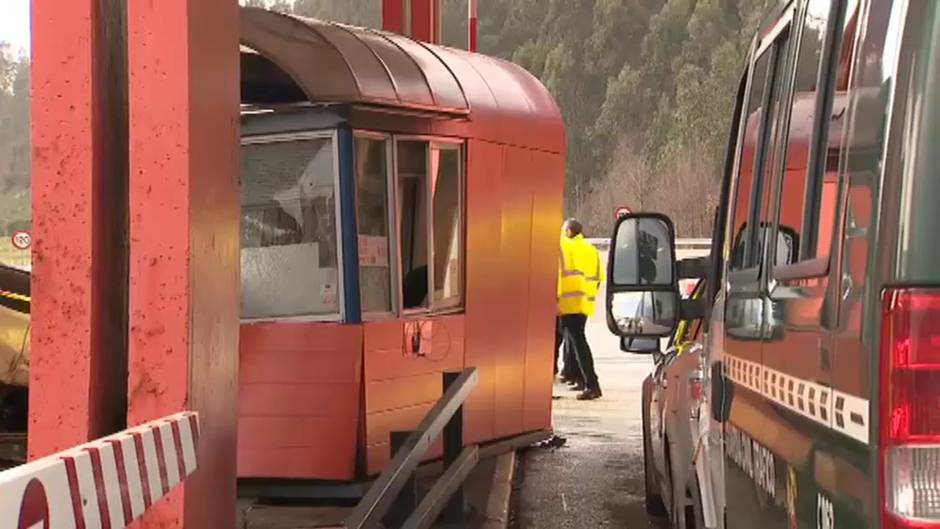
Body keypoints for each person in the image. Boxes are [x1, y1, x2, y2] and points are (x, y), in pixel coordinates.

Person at [557, 218, 604, 400]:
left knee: (578, 342)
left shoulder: (564, 246)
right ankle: (577, 377)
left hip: (567, 302)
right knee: (574, 340)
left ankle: (592, 384)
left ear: (569, 232)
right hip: (585, 303)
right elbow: (600, 276)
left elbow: (557, 275)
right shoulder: (590, 249)